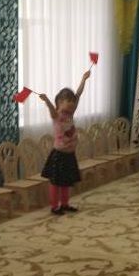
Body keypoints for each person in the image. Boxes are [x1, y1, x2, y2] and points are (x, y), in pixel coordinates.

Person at [39, 70, 90, 214]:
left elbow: (78, 94)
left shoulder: (70, 114)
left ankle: (65, 204)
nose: (72, 104)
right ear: (60, 103)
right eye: (69, 101)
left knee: (66, 182)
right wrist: (47, 100)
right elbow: (52, 110)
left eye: (73, 102)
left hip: (69, 154)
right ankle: (54, 206)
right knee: (56, 183)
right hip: (59, 155)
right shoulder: (57, 116)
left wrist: (83, 79)